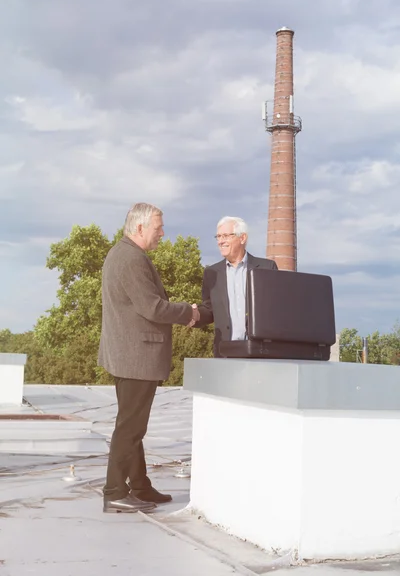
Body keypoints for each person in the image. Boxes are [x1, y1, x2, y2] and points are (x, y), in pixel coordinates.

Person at [98, 202, 199, 514]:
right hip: (136, 357)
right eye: (158, 228)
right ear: (140, 228)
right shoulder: (131, 258)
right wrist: (190, 312)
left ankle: (139, 486)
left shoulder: (123, 253)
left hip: (129, 355)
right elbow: (153, 307)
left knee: (133, 426)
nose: (162, 234)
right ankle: (115, 491)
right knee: (129, 428)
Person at [195, 216, 278, 356]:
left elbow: (276, 309)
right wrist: (193, 316)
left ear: (242, 238)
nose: (221, 241)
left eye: (226, 236)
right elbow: (210, 310)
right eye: (218, 236)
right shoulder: (211, 273)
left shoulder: (267, 268)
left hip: (261, 351)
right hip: (226, 352)